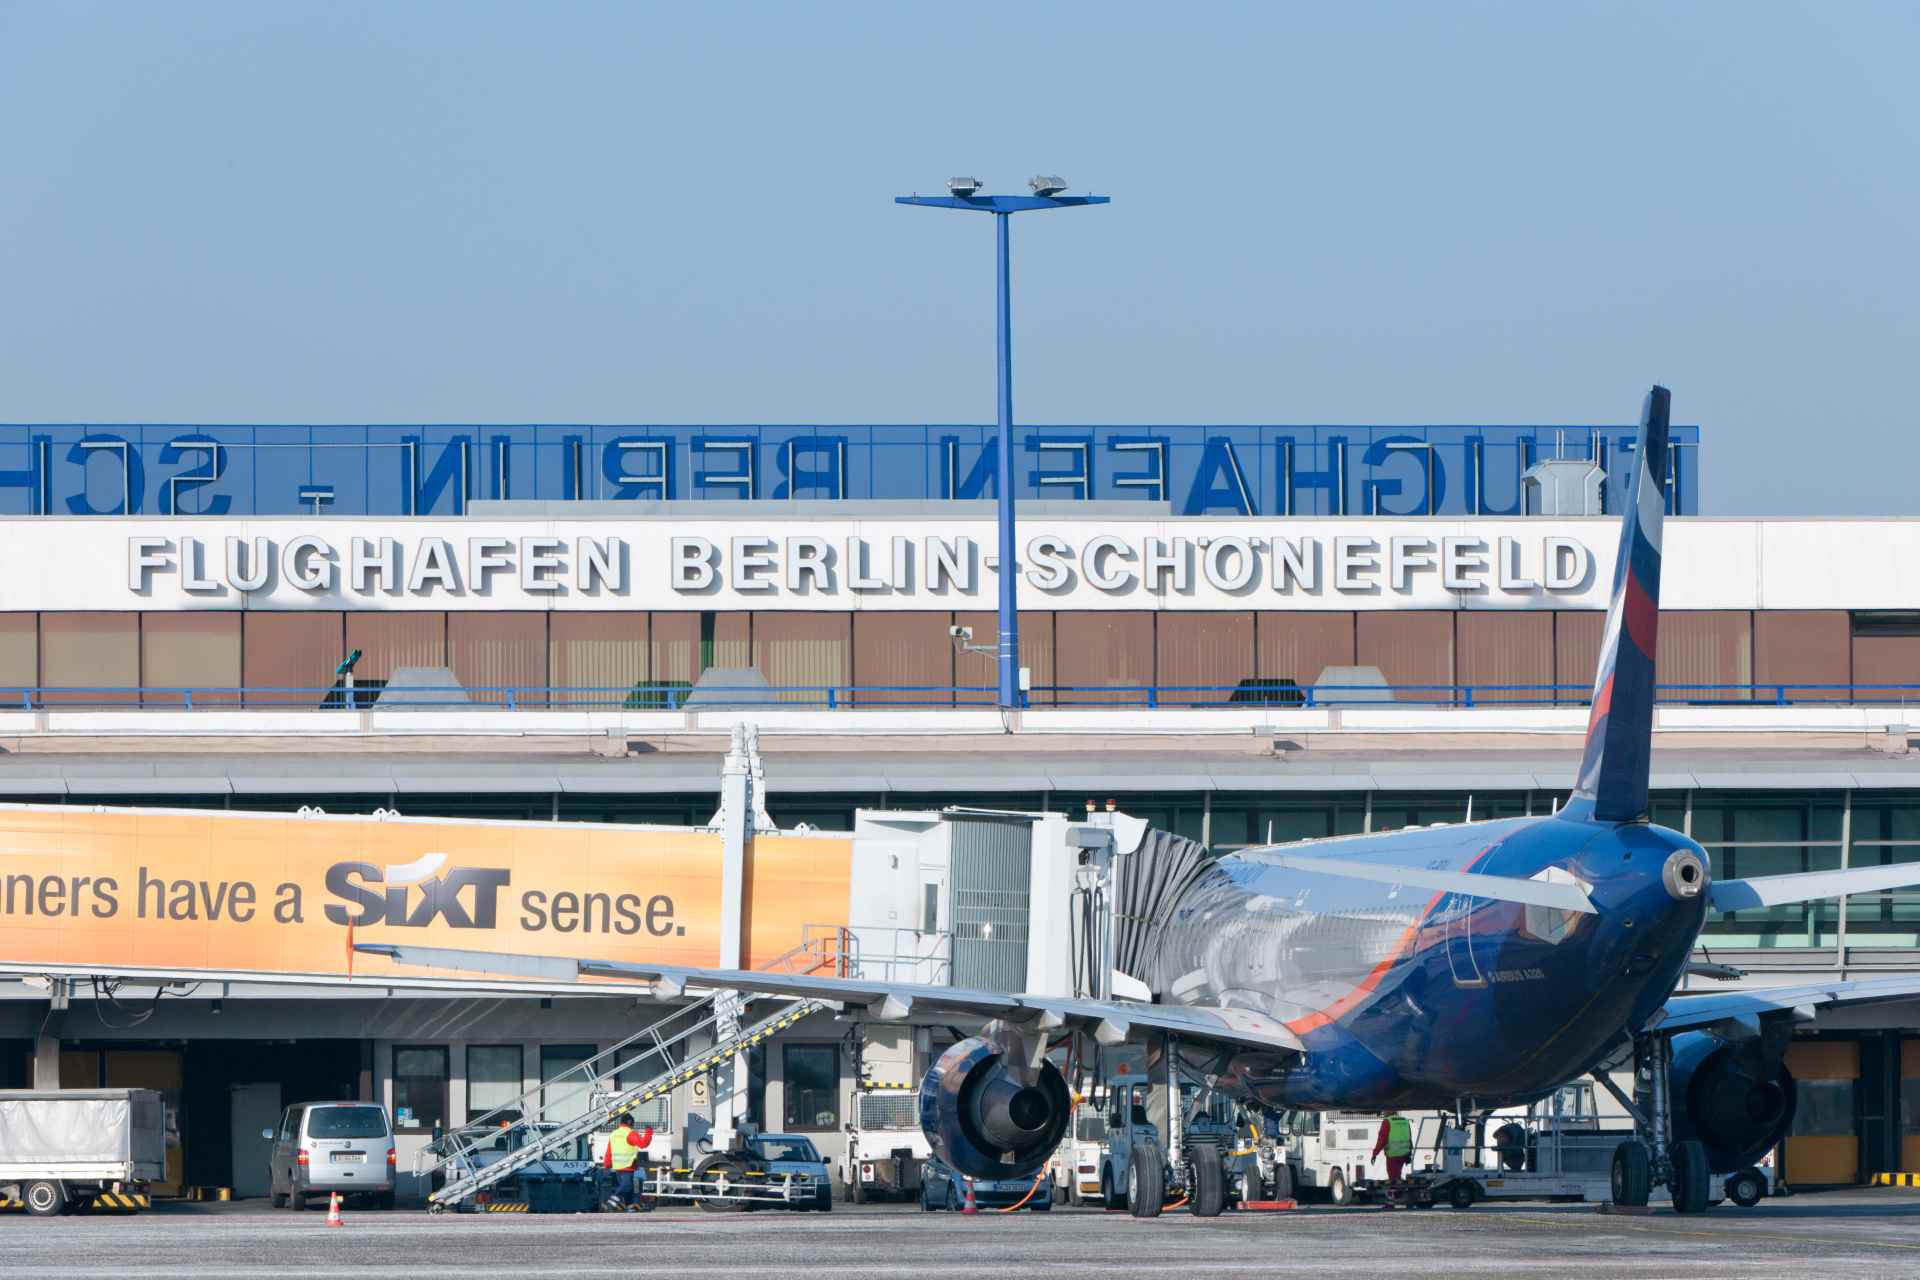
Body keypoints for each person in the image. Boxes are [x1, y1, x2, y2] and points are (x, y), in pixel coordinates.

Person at [603, 1112, 654, 1209]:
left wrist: (607, 1165)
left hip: (617, 1166)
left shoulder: (614, 1133)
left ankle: (630, 1206)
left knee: (628, 1189)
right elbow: (643, 1144)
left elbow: (609, 1151)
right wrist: (649, 1131)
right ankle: (611, 1202)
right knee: (626, 1186)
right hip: (627, 1166)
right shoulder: (630, 1133)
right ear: (630, 1122)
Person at [1371, 1110, 1414, 1188]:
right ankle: (1400, 1193)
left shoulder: (1387, 1121)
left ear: (1389, 1112)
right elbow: (1409, 1137)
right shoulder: (1405, 1120)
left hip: (1392, 1153)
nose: (1384, 1113)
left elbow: (1382, 1140)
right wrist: (1410, 1152)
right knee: (1397, 1176)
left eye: (1385, 1111)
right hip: (1404, 1153)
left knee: (1393, 1178)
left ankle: (1396, 1196)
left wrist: (1375, 1153)